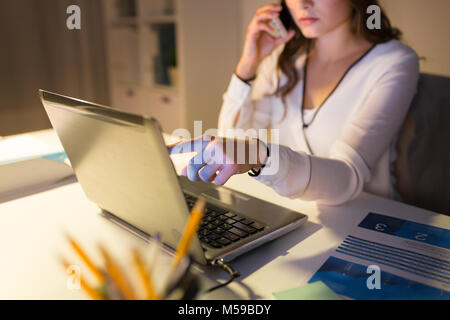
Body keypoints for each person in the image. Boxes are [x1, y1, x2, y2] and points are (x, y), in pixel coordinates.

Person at [169, 0, 419, 206]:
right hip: (294, 212)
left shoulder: (394, 61)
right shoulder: (284, 58)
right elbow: (233, 140)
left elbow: (347, 178)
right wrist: (247, 67)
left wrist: (261, 156)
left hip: (365, 217)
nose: (302, 4)